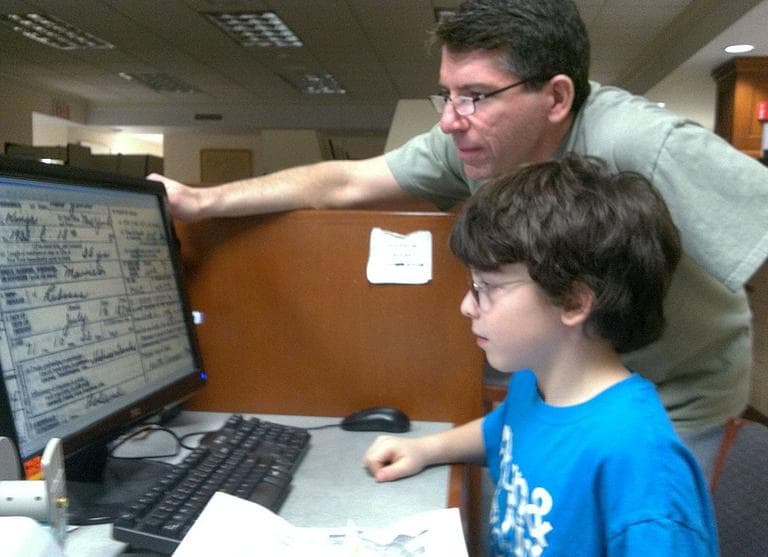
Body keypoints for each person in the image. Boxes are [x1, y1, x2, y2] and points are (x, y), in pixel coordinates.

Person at [150, 0, 768, 478]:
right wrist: (203, 204)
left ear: (556, 97)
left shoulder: (640, 147)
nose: (450, 120)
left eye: (474, 96)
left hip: (676, 388)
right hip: (570, 378)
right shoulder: (476, 146)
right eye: (446, 94)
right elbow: (344, 181)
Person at [364, 155, 718, 556]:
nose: (467, 305)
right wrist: (426, 449)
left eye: (487, 286)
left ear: (571, 301)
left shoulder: (641, 463)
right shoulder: (536, 383)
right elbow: (503, 430)